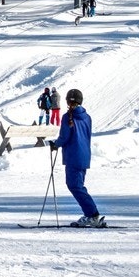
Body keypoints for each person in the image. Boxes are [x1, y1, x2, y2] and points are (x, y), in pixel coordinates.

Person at [52, 89, 103, 227]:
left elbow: (64, 137)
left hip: (73, 156)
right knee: (78, 185)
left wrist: (55, 144)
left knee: (74, 186)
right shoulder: (87, 117)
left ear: (68, 101)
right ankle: (91, 214)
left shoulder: (67, 117)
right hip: (84, 155)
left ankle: (92, 214)